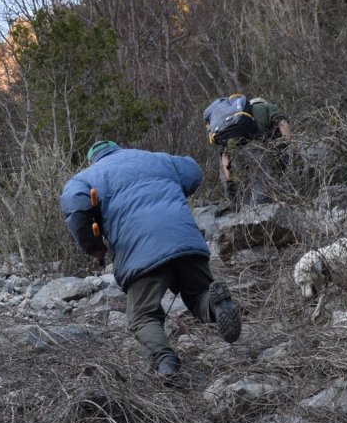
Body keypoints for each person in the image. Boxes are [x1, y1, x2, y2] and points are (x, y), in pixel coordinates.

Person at [60, 140, 242, 377]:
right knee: (198, 295)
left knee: (142, 316)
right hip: (184, 237)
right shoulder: (157, 158)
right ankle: (218, 304)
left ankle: (165, 362)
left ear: (91, 160)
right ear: (119, 149)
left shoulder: (85, 178)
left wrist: (93, 248)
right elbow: (192, 171)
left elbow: (74, 206)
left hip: (139, 250)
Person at [203, 94, 294, 207]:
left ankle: (238, 208)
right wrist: (288, 146)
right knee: (260, 178)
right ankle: (257, 212)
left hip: (234, 150)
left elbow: (224, 154)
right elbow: (282, 123)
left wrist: (229, 181)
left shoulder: (236, 118)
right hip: (255, 145)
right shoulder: (267, 106)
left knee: (243, 181)